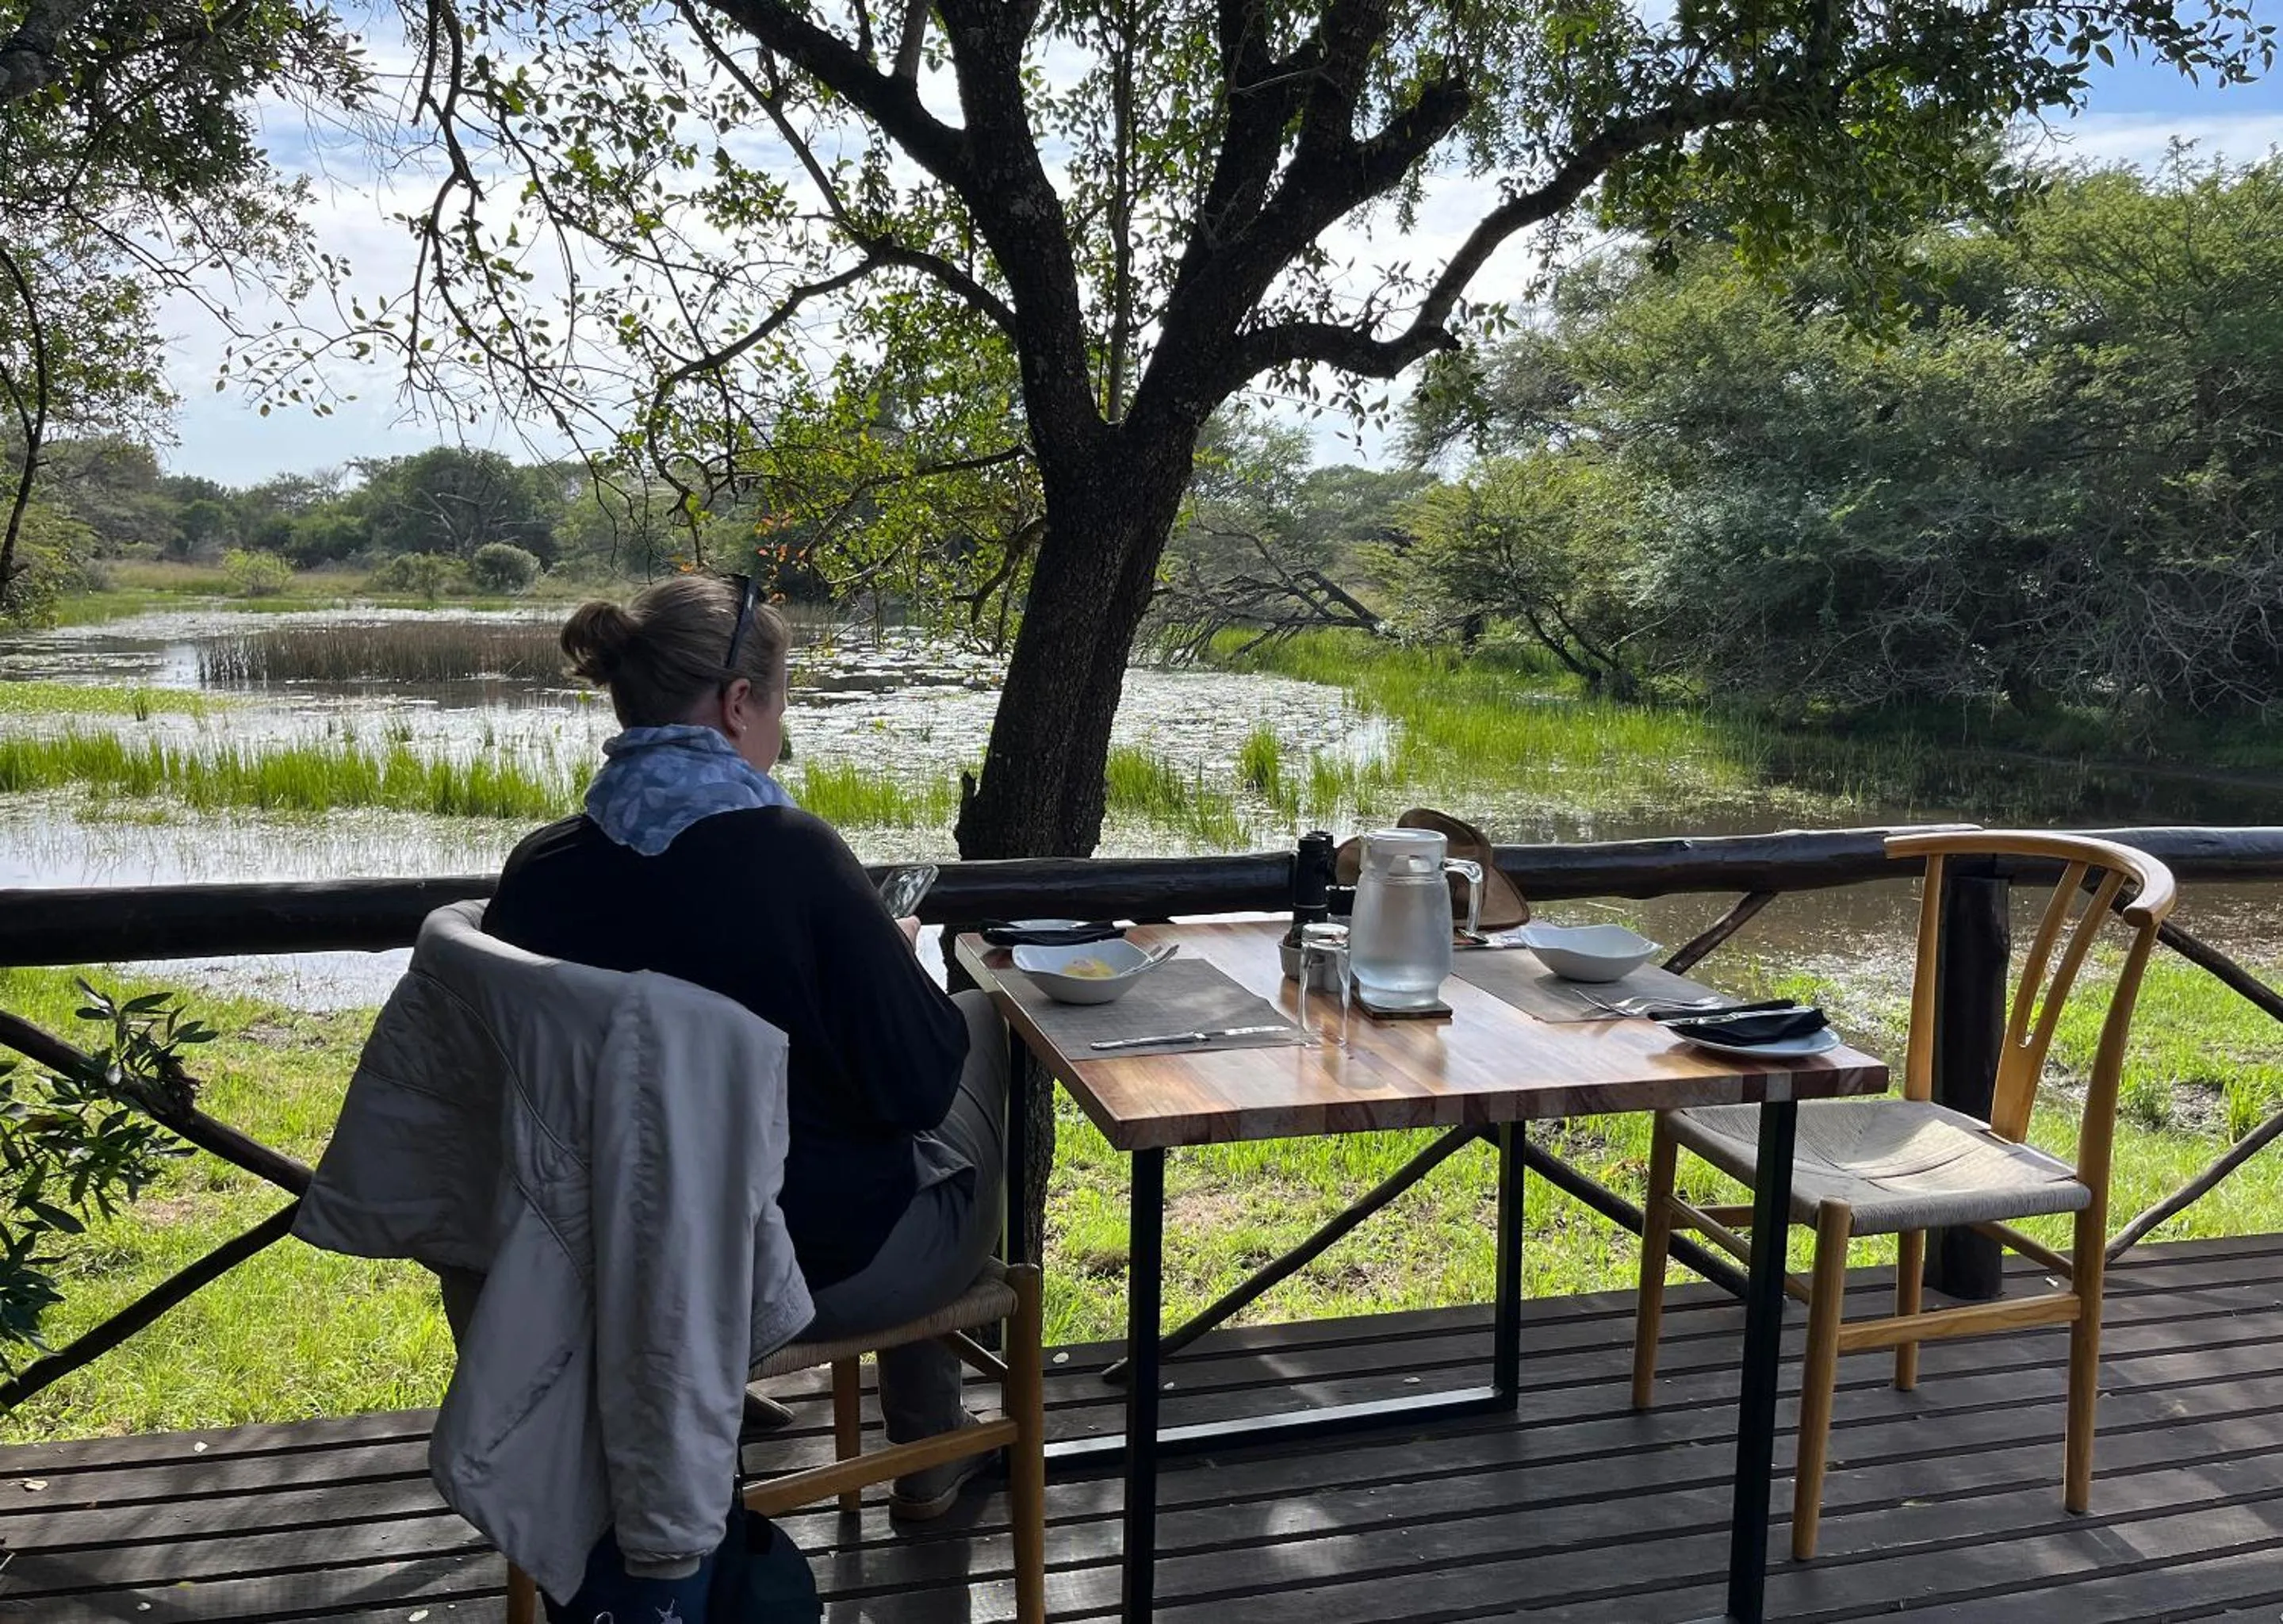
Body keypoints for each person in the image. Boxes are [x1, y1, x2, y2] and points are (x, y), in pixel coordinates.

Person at [484, 573, 1008, 1528]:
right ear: (736, 703)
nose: (778, 729)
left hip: (597, 1260)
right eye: (779, 706)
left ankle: (712, 1412)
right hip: (806, 1270)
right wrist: (896, 967)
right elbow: (917, 1085)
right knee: (973, 1029)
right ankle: (928, 1439)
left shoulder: (540, 866)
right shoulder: (792, 854)